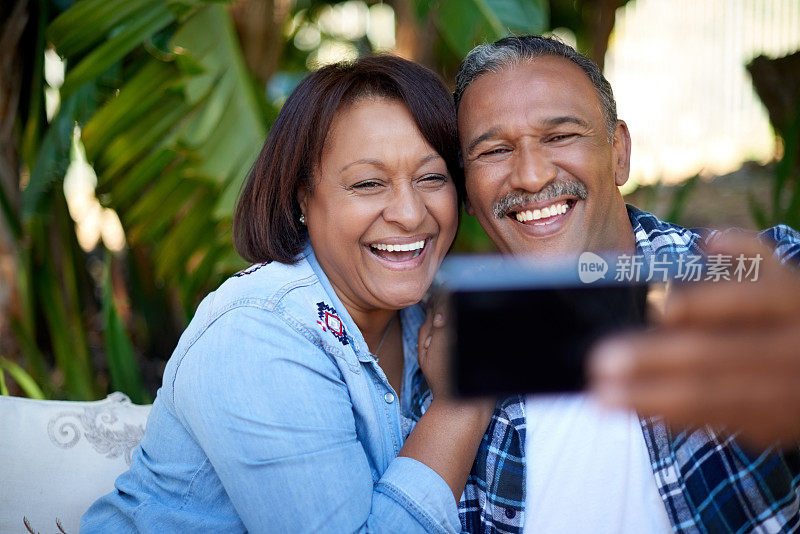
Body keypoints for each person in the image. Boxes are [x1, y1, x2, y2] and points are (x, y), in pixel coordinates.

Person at [81, 55, 494, 533]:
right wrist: (465, 396)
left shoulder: (428, 315)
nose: (409, 213)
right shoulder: (256, 333)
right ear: (302, 198)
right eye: (368, 183)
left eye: (431, 178)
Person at [447, 35, 800, 533]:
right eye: (495, 150)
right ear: (467, 190)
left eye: (559, 136)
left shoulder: (756, 277)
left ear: (619, 151)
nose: (529, 175)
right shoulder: (448, 357)